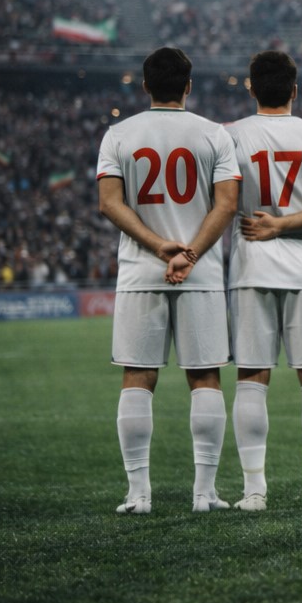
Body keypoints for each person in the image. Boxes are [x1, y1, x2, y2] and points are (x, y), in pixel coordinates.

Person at [96, 46, 240, 514]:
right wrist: (190, 252)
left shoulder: (119, 133)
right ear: (188, 86)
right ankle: (205, 494)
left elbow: (110, 203)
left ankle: (138, 495)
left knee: (138, 377)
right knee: (204, 377)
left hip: (142, 270)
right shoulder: (213, 134)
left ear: (144, 86)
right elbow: (226, 204)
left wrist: (159, 247)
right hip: (199, 273)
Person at [224, 50, 302, 510]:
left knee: (251, 378)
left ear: (251, 88)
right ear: (295, 90)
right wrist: (287, 223)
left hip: (250, 266)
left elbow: (221, 201)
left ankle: (253, 491)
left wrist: (269, 225)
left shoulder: (229, 137)